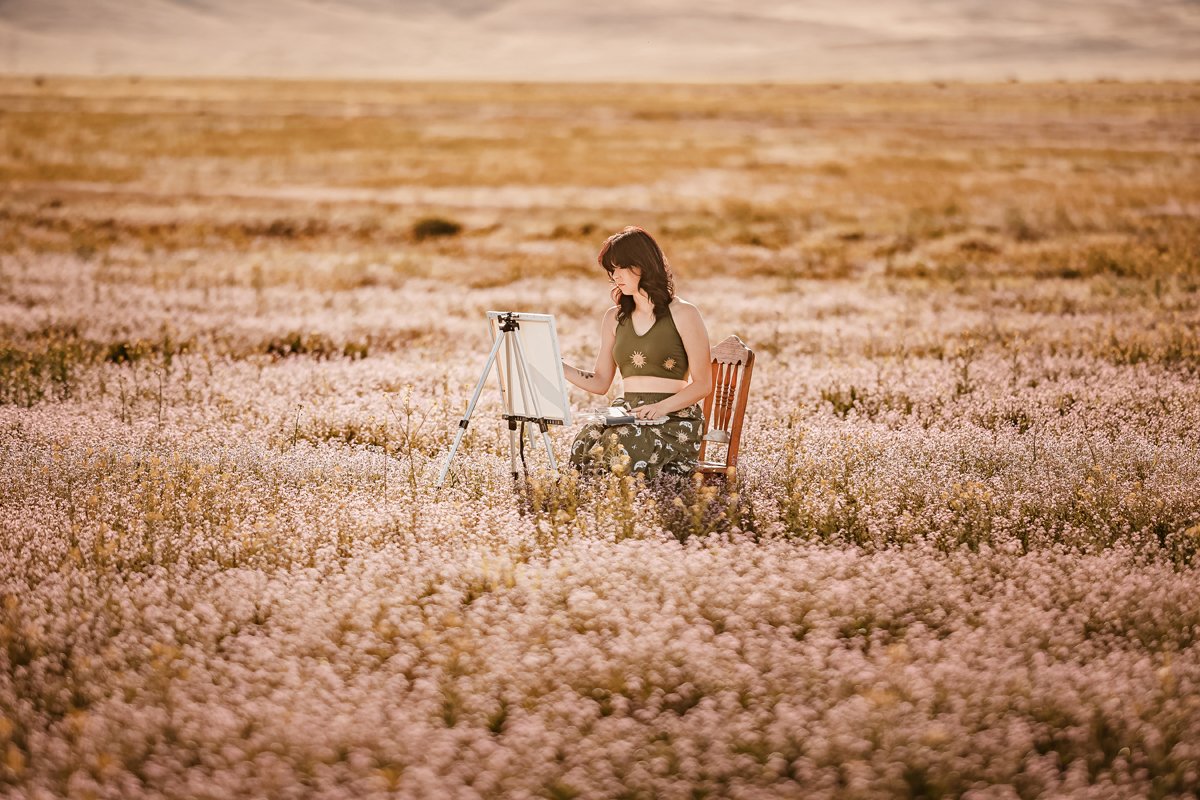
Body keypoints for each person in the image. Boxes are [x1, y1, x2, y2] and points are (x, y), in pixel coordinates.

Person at [562, 226, 712, 478]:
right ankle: (601, 512)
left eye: (621, 267)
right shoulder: (614, 317)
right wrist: (559, 366)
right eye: (612, 270)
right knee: (585, 441)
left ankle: (622, 505)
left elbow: (703, 384)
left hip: (674, 419)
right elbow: (600, 382)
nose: (615, 276)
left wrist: (662, 408)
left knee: (618, 444)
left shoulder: (684, 313)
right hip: (629, 414)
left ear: (643, 265)